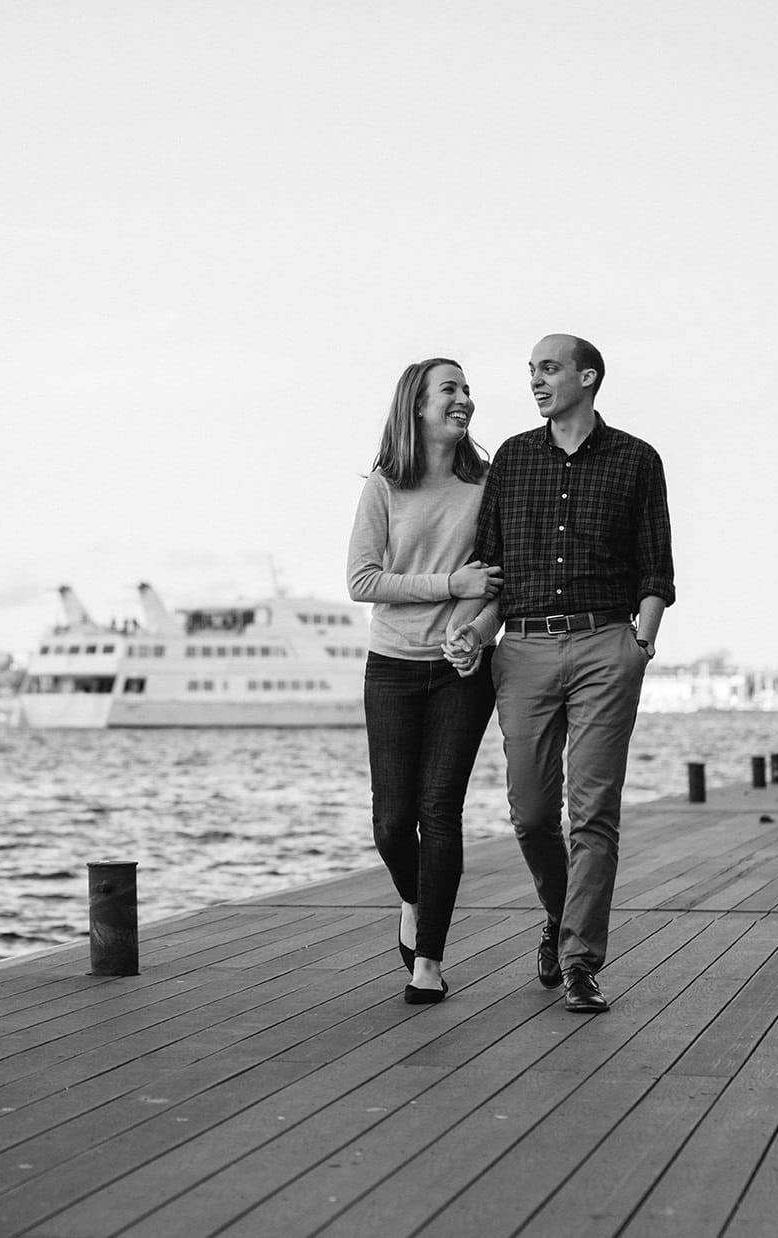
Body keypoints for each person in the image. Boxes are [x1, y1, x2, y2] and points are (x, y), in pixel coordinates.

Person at [447, 334, 674, 1014]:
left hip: (608, 644)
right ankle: (559, 912)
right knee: (533, 813)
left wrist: (642, 640)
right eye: (531, 372)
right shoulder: (513, 459)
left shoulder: (636, 459)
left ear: (588, 376)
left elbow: (656, 566)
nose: (536, 382)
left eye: (548, 369)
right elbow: (494, 570)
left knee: (594, 813)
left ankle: (580, 962)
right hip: (524, 651)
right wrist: (475, 634)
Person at [347, 357, 504, 1006]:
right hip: (391, 667)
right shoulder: (385, 487)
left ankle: (429, 962)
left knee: (439, 811)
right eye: (450, 389)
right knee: (392, 820)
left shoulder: (487, 484)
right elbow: (362, 582)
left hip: (462, 673)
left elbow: (499, 580)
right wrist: (449, 585)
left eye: (467, 389)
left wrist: (476, 629)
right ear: (417, 405)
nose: (464, 398)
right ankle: (412, 900)